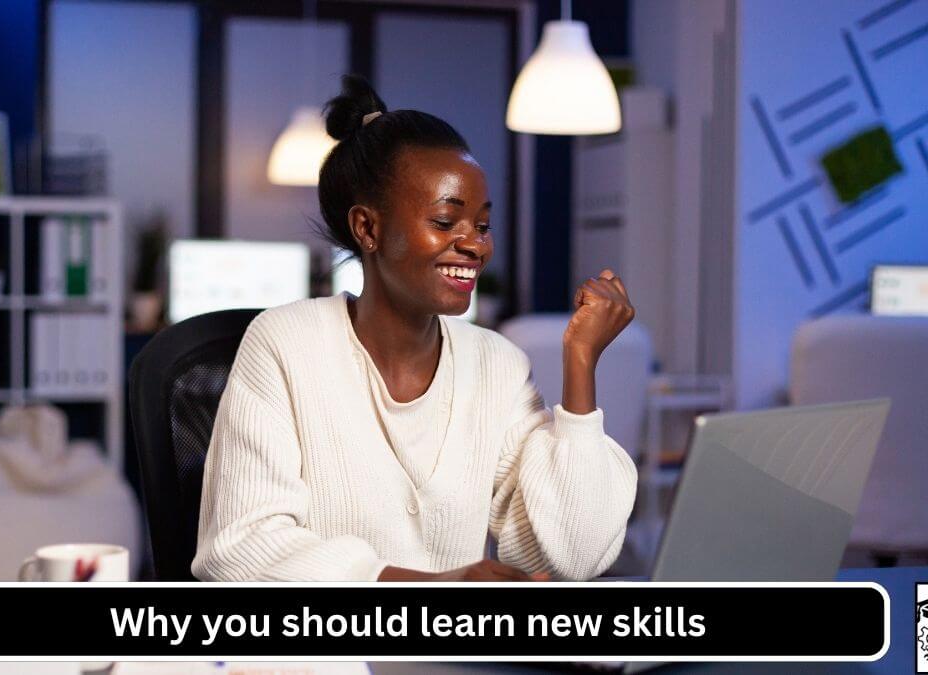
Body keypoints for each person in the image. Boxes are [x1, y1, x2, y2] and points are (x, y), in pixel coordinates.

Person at [192, 75, 637, 583]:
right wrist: (434, 589)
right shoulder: (285, 344)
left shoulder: (498, 365)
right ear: (368, 229)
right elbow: (239, 549)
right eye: (447, 223)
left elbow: (570, 558)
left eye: (483, 225)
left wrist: (581, 363)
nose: (476, 245)